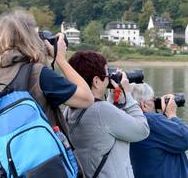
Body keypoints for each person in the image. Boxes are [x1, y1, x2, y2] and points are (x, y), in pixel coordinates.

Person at [0, 9, 94, 175]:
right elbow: (87, 99)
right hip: (43, 167)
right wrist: (60, 59)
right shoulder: (38, 73)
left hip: (5, 169)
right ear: (29, 39)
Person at [64, 50, 150, 178]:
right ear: (96, 81)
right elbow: (143, 130)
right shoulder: (102, 111)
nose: (109, 77)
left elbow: (102, 126)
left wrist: (113, 97)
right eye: (107, 73)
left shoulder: (69, 111)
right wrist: (128, 96)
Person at [130, 83, 188, 178]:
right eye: (153, 100)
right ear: (144, 105)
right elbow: (187, 139)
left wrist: (164, 118)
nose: (156, 104)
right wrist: (172, 115)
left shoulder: (129, 121)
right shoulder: (151, 120)